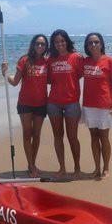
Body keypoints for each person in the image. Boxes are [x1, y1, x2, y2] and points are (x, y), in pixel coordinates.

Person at [1, 34, 49, 177]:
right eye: (37, 44)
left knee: (37, 135)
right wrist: (5, 73)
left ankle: (32, 163)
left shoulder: (47, 62)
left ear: (46, 47)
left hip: (41, 103)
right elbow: (15, 82)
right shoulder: (24, 60)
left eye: (43, 44)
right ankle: (31, 165)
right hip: (25, 104)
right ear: (33, 45)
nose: (40, 46)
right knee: (27, 134)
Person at [82, 33, 112, 179]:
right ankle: (96, 168)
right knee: (93, 137)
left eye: (96, 42)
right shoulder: (85, 61)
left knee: (104, 136)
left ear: (101, 44)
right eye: (90, 43)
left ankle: (106, 168)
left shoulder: (109, 61)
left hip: (105, 104)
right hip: (89, 104)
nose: (93, 45)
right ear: (87, 46)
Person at [47, 29, 83, 178]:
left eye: (62, 41)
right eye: (56, 42)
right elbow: (47, 78)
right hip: (53, 103)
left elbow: (81, 74)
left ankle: (77, 168)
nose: (60, 44)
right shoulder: (50, 60)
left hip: (71, 103)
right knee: (58, 136)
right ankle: (62, 168)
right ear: (53, 44)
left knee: (72, 137)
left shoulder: (76, 57)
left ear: (67, 41)